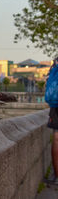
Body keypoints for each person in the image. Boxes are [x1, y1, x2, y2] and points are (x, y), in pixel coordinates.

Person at [45, 57, 58, 185]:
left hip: (56, 106)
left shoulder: (56, 63)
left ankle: (57, 176)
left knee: (56, 138)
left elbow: (48, 84)